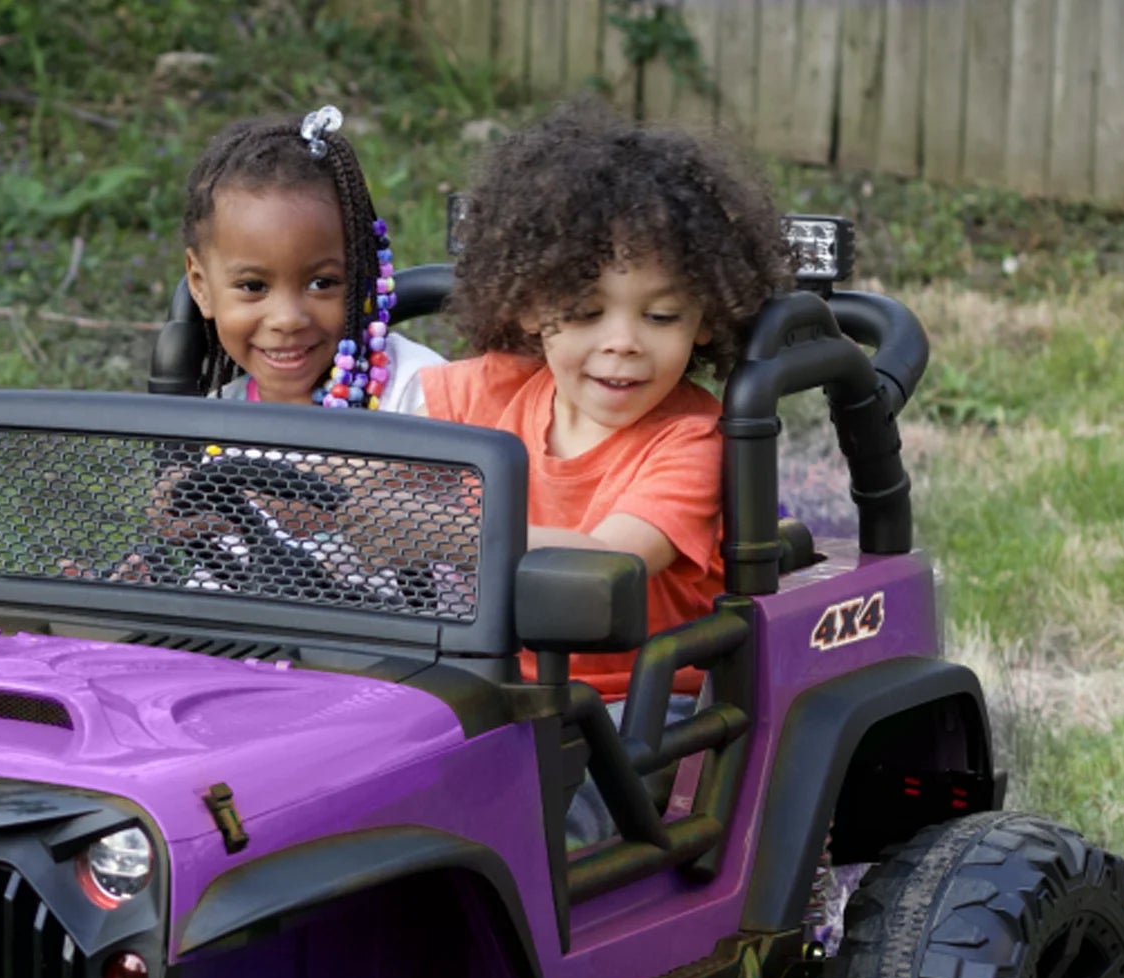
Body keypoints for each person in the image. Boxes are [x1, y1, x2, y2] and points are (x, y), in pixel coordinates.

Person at [417, 102, 795, 706]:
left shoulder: (692, 442)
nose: (622, 341)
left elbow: (605, 565)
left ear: (704, 319)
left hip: (635, 710)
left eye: (662, 315)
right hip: (488, 685)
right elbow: (370, 466)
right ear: (531, 307)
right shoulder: (479, 394)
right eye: (587, 311)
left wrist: (428, 532)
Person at [182, 106, 444, 413]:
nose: (288, 319)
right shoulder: (216, 421)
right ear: (200, 286)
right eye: (254, 286)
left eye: (322, 283)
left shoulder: (419, 394)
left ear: (364, 273)